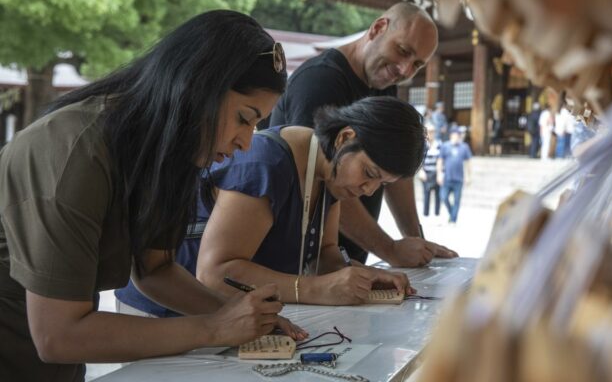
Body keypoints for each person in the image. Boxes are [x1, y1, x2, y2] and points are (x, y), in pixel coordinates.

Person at [0, 10, 306, 382]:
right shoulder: (74, 151)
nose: (245, 143)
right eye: (244, 118)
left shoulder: (166, 154)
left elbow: (156, 271)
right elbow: (57, 334)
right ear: (197, 88)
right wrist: (215, 327)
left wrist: (247, 317)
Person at [116, 97, 422, 311]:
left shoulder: (329, 172)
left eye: (380, 184)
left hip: (229, 316)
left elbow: (323, 255)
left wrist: (362, 279)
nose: (368, 190)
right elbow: (216, 273)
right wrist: (315, 289)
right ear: (345, 138)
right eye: (369, 173)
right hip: (170, 307)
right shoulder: (266, 163)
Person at [267, 2, 457, 267]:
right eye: (402, 51)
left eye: (416, 65)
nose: (404, 70)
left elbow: (397, 169)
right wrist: (390, 250)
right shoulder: (321, 82)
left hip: (340, 259)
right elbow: (320, 178)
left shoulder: (383, 84)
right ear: (378, 28)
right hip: (298, 262)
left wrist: (416, 242)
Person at [437, 129, 472, 224]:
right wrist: (439, 174)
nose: (456, 137)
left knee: (457, 200)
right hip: (447, 177)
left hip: (459, 178)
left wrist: (468, 176)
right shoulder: (445, 146)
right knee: (443, 197)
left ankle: (453, 220)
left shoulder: (464, 147)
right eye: (454, 135)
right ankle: (452, 213)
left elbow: (468, 162)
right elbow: (440, 160)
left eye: (458, 135)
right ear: (451, 136)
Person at [418, 124, 441, 217]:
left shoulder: (439, 144)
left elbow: (442, 159)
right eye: (429, 131)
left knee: (438, 195)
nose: (431, 133)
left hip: (436, 172)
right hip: (426, 172)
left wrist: (440, 173)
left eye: (432, 131)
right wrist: (421, 171)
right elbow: (419, 160)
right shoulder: (422, 145)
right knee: (426, 194)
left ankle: (437, 214)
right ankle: (426, 214)